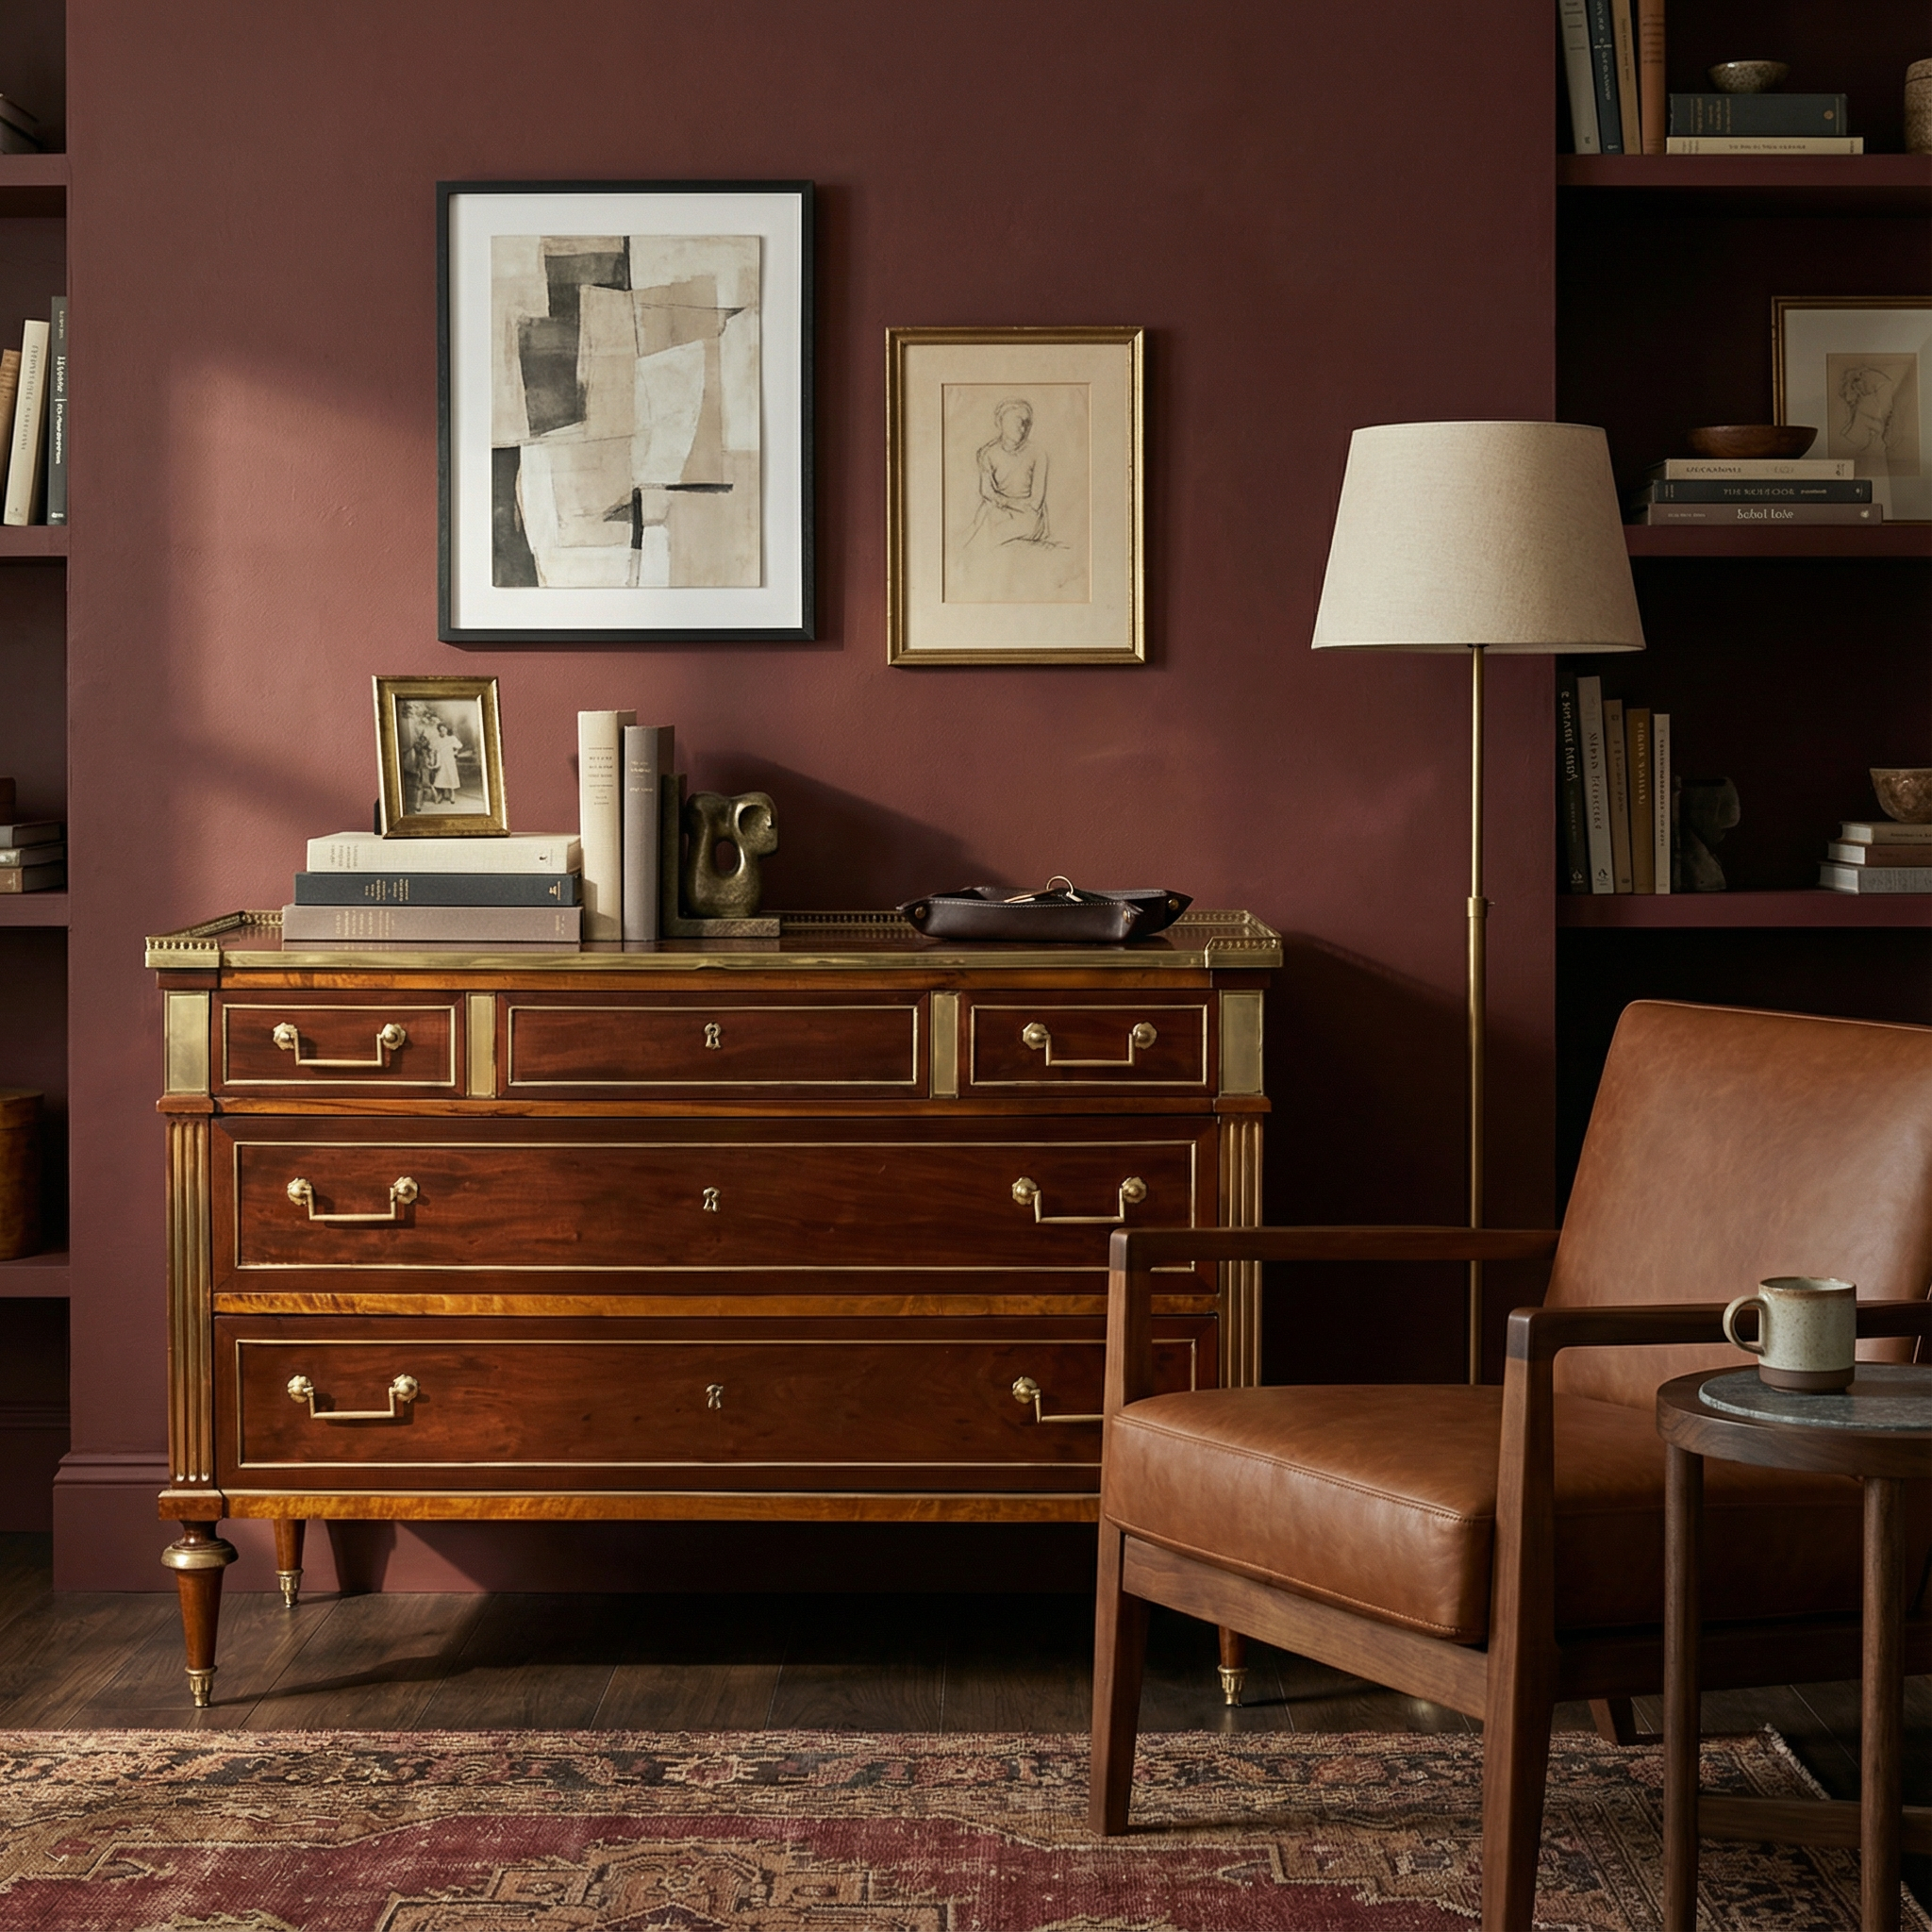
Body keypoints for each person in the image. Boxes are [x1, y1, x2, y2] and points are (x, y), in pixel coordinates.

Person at [967, 399, 1053, 550]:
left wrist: (1002, 502)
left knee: (988, 534)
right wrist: (1006, 504)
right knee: (984, 520)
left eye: (1027, 423)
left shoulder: (1038, 454)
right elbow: (986, 492)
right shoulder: (987, 453)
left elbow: (1035, 503)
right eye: (1017, 421)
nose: (1023, 428)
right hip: (1001, 511)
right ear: (1001, 423)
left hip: (1029, 517)